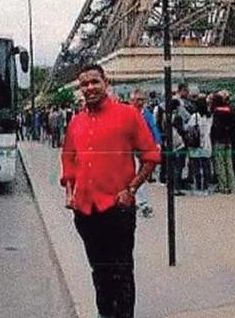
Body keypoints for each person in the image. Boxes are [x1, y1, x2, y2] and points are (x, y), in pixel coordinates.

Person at [61, 64, 160, 318]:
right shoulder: (76, 122)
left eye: (95, 82)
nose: (90, 88)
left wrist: (132, 189)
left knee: (122, 272)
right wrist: (69, 192)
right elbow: (68, 159)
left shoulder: (128, 115)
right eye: (84, 84)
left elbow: (150, 156)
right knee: (99, 271)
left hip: (117, 208)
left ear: (106, 82)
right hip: (85, 210)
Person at [130, 89, 161, 218]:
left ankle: (141, 201)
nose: (140, 102)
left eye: (142, 99)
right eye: (137, 99)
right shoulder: (128, 113)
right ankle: (141, 202)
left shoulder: (146, 113)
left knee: (140, 175)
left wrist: (157, 142)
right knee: (135, 173)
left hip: (143, 148)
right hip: (130, 149)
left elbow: (153, 127)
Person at [210, 92, 235, 194]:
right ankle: (232, 185)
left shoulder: (216, 112)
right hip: (228, 140)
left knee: (220, 165)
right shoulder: (229, 110)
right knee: (229, 164)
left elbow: (215, 128)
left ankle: (223, 186)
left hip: (219, 140)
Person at [185, 97, 213, 196]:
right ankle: (206, 187)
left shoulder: (194, 116)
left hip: (196, 145)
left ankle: (198, 186)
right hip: (206, 144)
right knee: (206, 166)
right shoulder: (209, 116)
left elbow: (188, 128)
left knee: (196, 167)